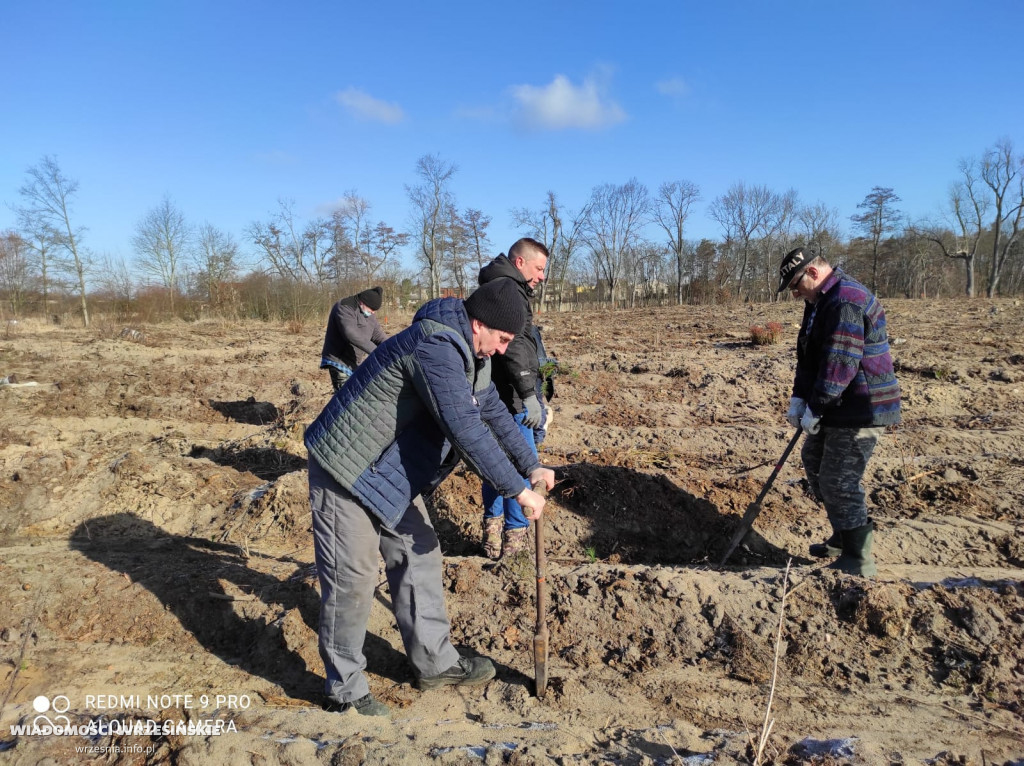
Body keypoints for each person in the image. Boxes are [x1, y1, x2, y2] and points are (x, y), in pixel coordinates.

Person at [304, 278, 556, 716]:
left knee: (420, 554)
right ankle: (344, 691)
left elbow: (492, 410)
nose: (501, 350)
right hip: (346, 469)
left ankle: (435, 664)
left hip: (389, 473)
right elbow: (465, 427)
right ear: (480, 324)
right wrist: (515, 489)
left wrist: (530, 465)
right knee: (354, 578)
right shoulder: (436, 348)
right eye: (501, 339)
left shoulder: (471, 354)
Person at [778, 245, 901, 577]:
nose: (794, 294)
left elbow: (841, 364)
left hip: (864, 407)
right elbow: (809, 356)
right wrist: (799, 398)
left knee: (839, 479)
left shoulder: (845, 300)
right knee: (813, 461)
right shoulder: (819, 302)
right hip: (840, 403)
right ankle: (842, 533)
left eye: (794, 285)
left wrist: (817, 406)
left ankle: (858, 557)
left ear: (813, 273)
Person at [476, 238, 550, 559]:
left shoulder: (498, 285)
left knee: (493, 463)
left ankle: (492, 529)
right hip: (509, 396)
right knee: (521, 463)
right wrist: (529, 393)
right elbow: (517, 344)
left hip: (493, 394)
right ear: (521, 263)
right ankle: (515, 538)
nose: (542, 276)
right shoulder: (510, 291)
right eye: (539, 268)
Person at [320, 286, 386, 391]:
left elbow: (378, 335)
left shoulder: (369, 315)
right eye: (372, 309)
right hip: (339, 359)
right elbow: (351, 333)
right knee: (345, 396)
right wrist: (376, 352)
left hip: (354, 362)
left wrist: (391, 347)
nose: (373, 312)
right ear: (362, 303)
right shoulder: (344, 307)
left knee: (354, 396)